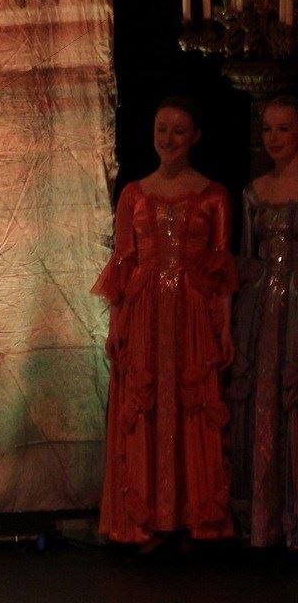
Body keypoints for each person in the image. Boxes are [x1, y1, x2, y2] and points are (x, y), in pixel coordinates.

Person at [97, 96, 237, 547]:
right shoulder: (134, 195)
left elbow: (220, 272)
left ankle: (191, 516)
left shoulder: (214, 196)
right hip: (144, 315)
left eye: (178, 130)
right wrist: (116, 326)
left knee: (191, 406)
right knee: (147, 408)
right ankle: (145, 520)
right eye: (162, 129)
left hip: (192, 316)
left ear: (195, 136)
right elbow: (123, 265)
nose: (169, 138)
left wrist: (224, 328)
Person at [227, 96, 298, 548]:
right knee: (263, 404)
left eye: (283, 128)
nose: (274, 137)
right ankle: (266, 520)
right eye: (268, 128)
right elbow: (247, 256)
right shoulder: (254, 192)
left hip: (296, 310)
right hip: (263, 310)